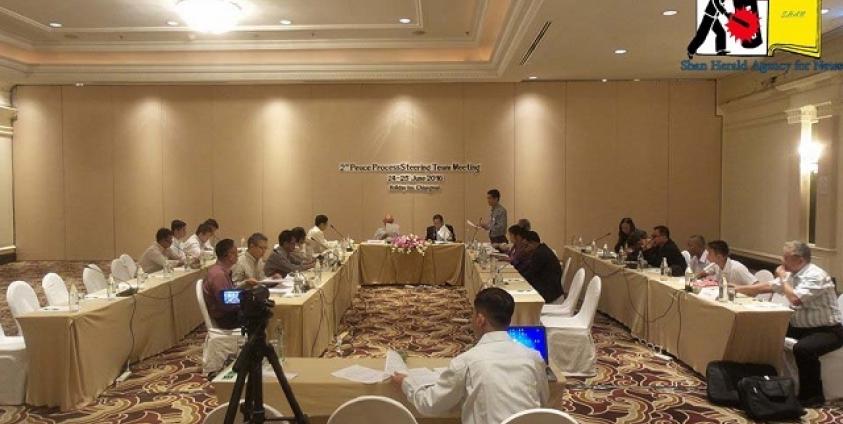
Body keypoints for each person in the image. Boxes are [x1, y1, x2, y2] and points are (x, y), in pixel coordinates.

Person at [393, 287, 549, 424]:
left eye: (472, 315)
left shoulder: (466, 362)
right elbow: (543, 400)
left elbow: (430, 405)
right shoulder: (534, 357)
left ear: (480, 320)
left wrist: (406, 383)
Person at [735, 241, 843, 407]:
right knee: (766, 330)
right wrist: (737, 289)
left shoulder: (816, 276)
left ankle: (812, 396)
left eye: (785, 257)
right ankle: (766, 379)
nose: (781, 261)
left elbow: (795, 299)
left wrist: (783, 278)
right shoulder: (794, 274)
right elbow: (768, 287)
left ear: (799, 260)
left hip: (829, 330)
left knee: (804, 349)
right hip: (801, 327)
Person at [516, 231, 564, 303]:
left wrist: (517, 279)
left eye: (526, 246)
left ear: (532, 243)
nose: (524, 249)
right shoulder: (541, 249)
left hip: (549, 293)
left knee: (518, 294)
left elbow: (530, 274)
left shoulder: (540, 254)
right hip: (550, 288)